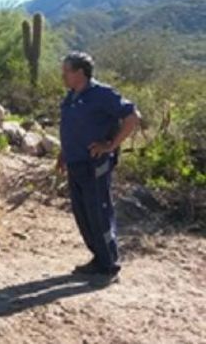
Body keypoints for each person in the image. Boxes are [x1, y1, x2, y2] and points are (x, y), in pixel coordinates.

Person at [57, 51, 141, 281]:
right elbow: (72, 127)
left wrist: (111, 145)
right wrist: (63, 153)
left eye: (66, 71)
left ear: (80, 73)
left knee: (99, 213)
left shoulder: (102, 94)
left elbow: (132, 116)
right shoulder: (71, 96)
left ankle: (109, 265)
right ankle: (98, 259)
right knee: (82, 214)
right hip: (75, 163)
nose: (63, 76)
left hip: (95, 164)